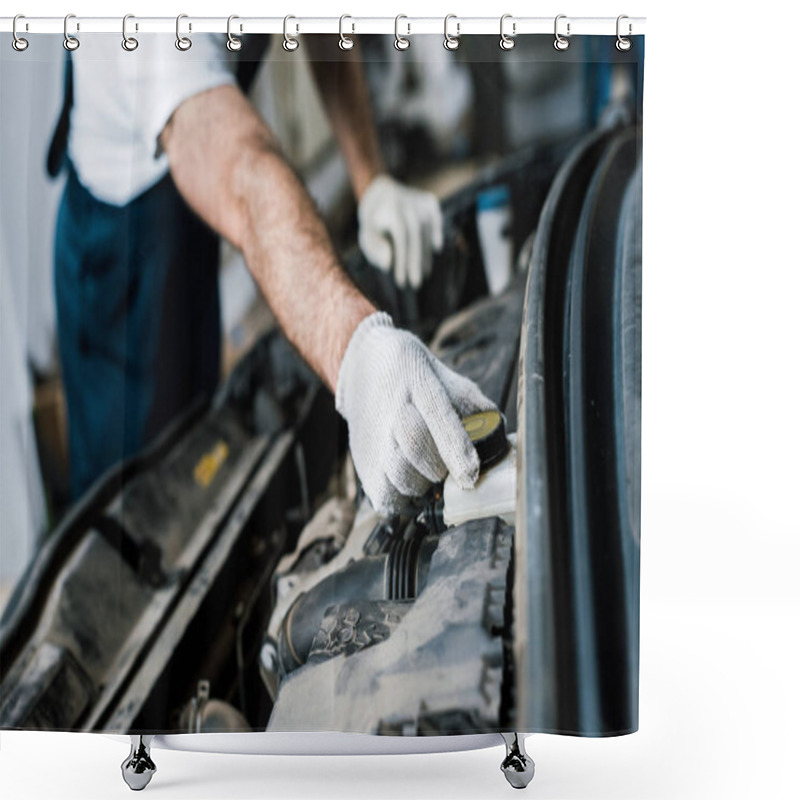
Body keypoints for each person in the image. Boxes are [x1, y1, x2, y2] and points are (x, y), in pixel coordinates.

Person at [53, 33, 495, 513]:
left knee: (196, 431)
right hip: (122, 238)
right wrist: (358, 350)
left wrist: (371, 180)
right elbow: (244, 176)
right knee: (144, 492)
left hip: (186, 204)